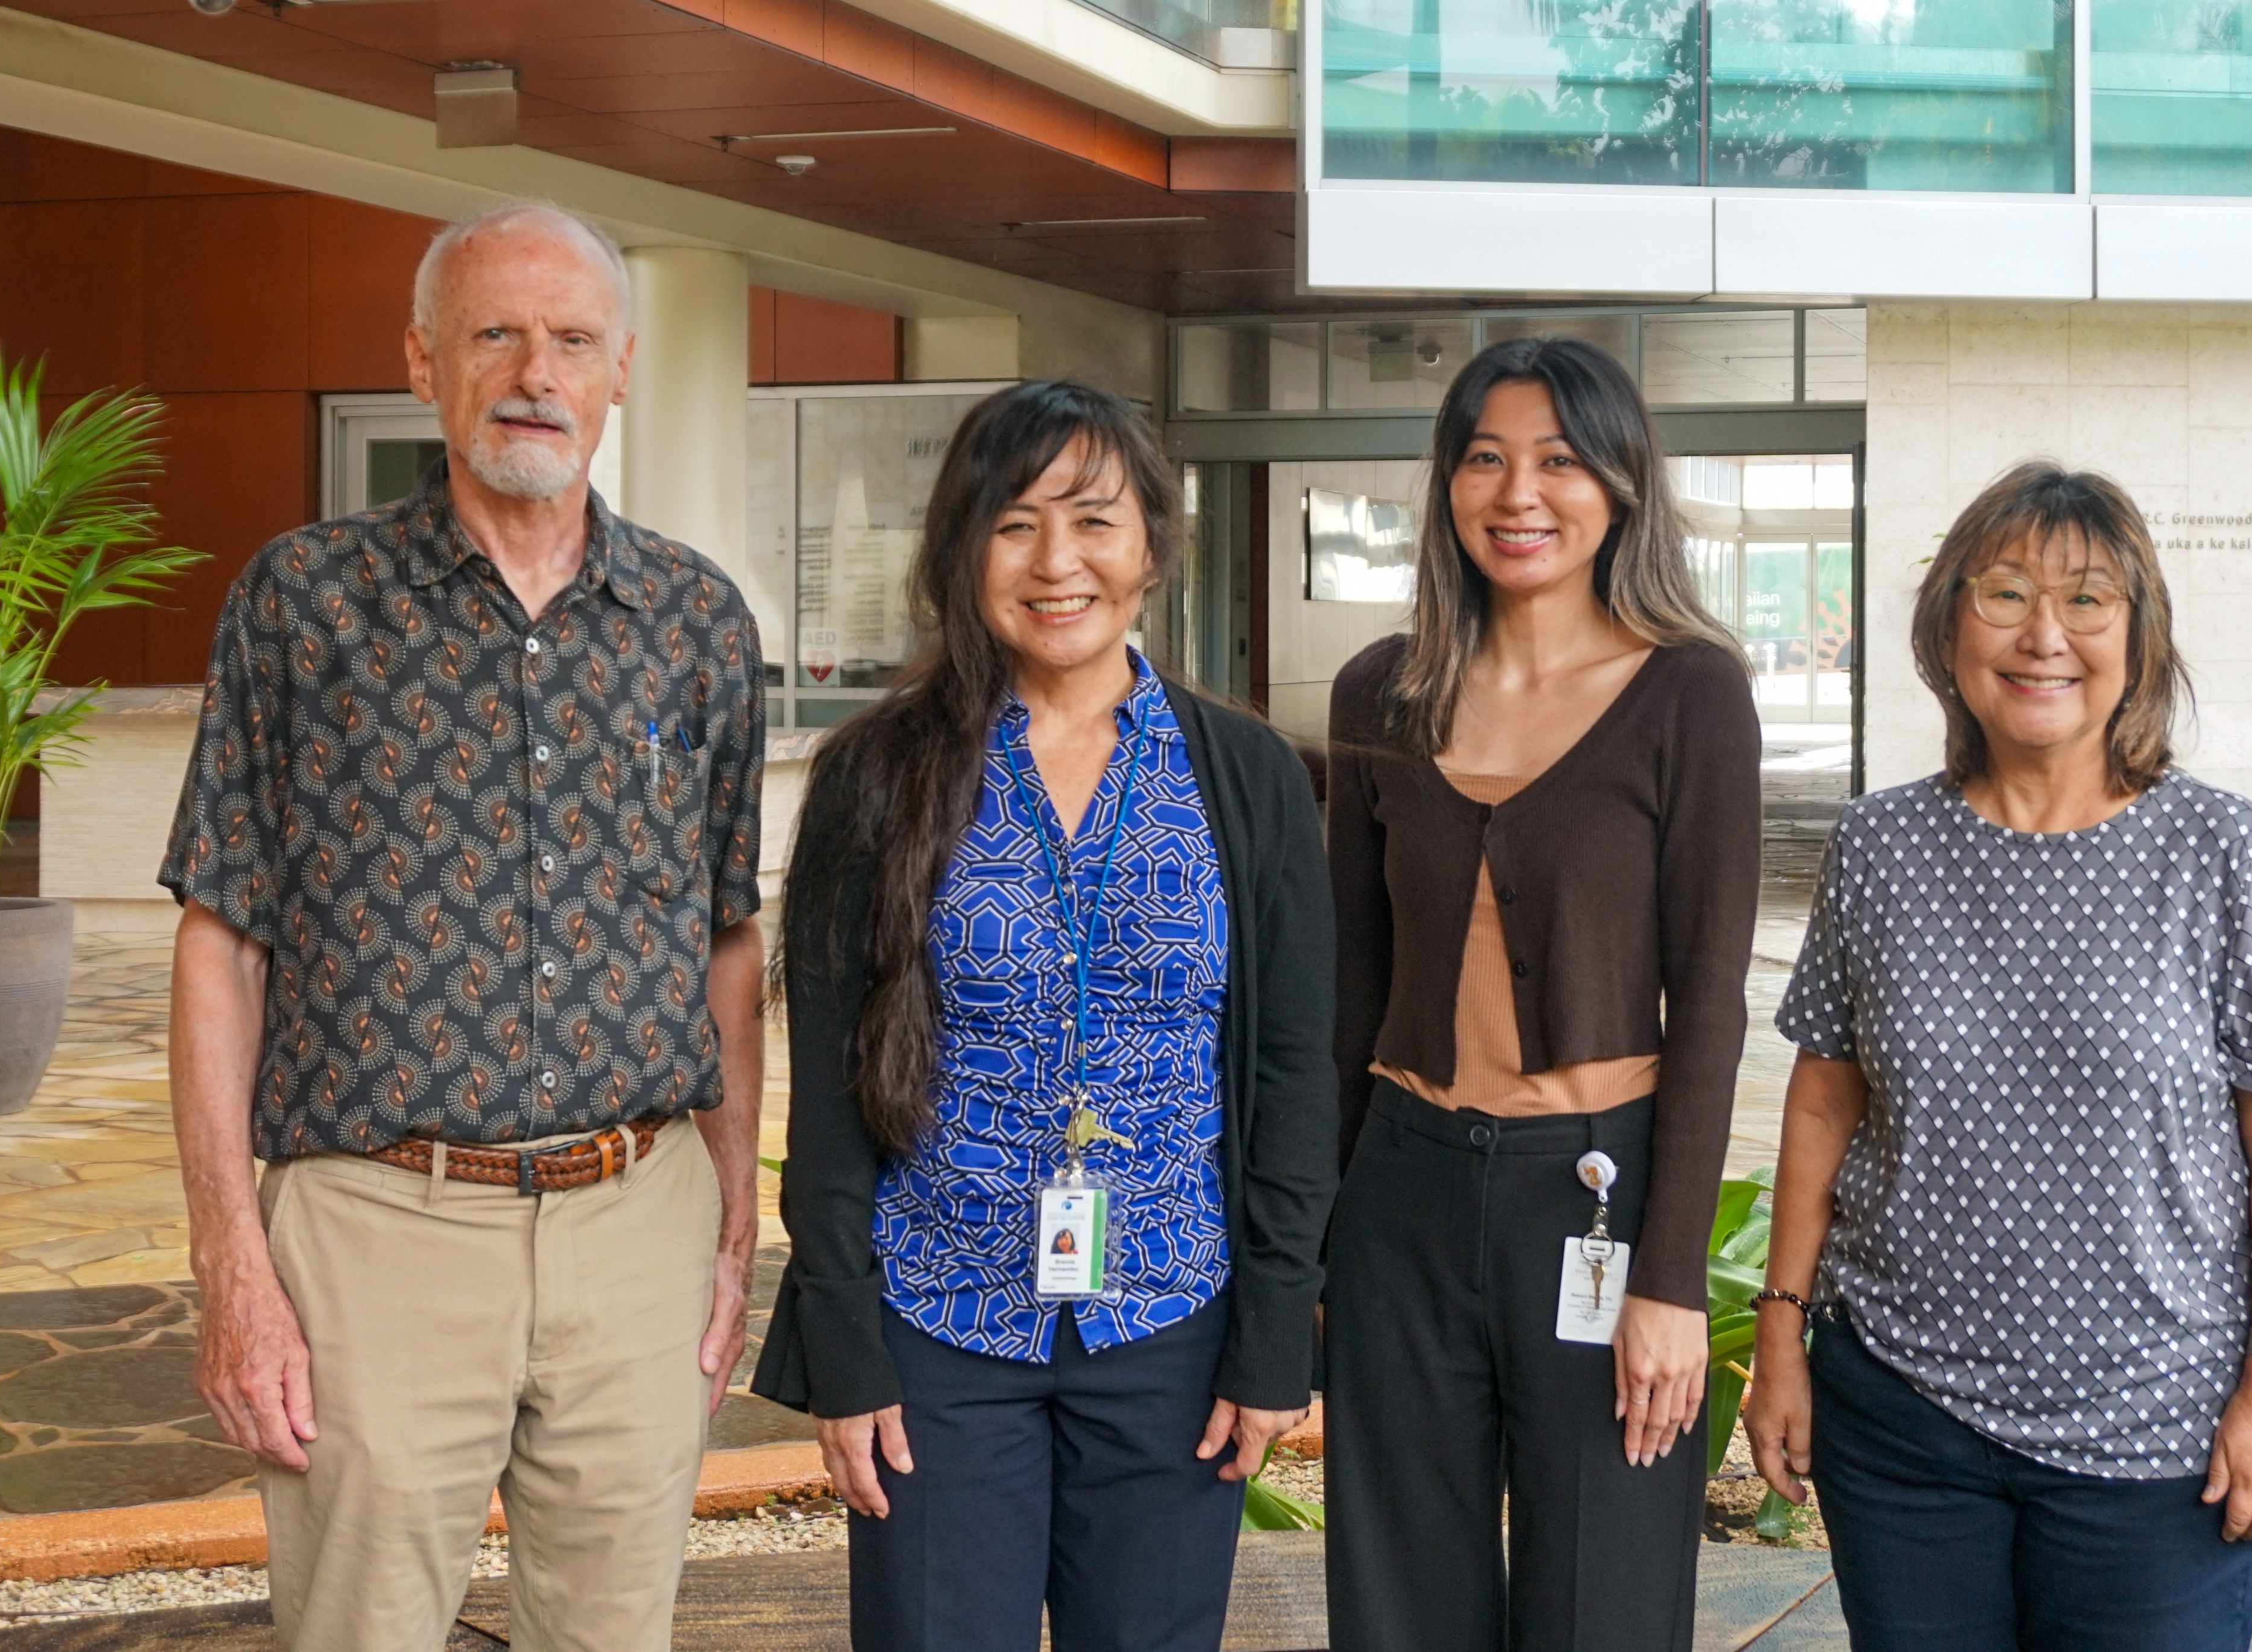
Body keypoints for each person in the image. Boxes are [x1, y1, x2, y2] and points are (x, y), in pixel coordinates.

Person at [162, 198, 766, 1651]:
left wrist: (737, 1225)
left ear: (622, 367)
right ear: (424, 360)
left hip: (639, 1222)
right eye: (494, 333)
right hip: (376, 1227)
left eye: (569, 340)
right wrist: (231, 1263)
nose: (532, 373)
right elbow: (219, 943)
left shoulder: (697, 621)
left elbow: (728, 944)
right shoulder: (304, 603)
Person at [751, 380, 1338, 1652]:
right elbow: (836, 1092)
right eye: (1012, 524)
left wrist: (1272, 1331)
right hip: (935, 1322)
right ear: (961, 553)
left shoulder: (1248, 776)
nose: (1056, 561)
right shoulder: (877, 773)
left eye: (1092, 521)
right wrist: (844, 1341)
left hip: (1172, 1316)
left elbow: (1296, 1071)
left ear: (1152, 548)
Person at [1741, 461, 2252, 1651]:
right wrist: (1779, 1335)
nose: (2042, 635)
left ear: (2137, 635)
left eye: (2085, 600)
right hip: (1902, 1421)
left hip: (2156, 1436)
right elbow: (1822, 1101)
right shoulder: (1879, 845)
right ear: (1947, 624)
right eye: (2004, 592)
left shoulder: (2219, 850)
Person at [1322, 336, 1762, 1652]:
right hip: (1400, 1191)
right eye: (1485, 458)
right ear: (1447, 485)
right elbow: (1347, 990)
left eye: (1560, 460)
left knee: (1606, 1605)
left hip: (1599, 1195)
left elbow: (1713, 1003)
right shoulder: (1380, 693)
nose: (1520, 494)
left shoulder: (1690, 690)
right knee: (1401, 1601)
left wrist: (1672, 1282)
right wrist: (1318, 1245)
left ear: (1620, 484)